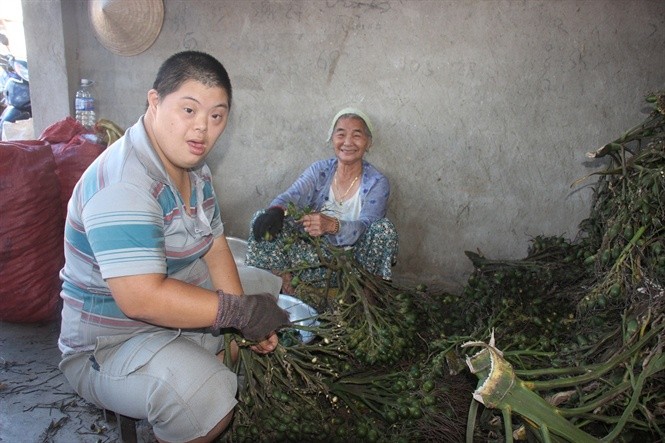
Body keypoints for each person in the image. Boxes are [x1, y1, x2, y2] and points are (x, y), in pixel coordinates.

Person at [57, 51, 289, 443]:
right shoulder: (124, 185)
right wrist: (239, 312)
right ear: (154, 102)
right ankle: (190, 391)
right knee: (208, 398)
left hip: (170, 300)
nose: (203, 129)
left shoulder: (193, 166)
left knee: (264, 288)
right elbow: (141, 299)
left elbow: (215, 246)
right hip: (111, 342)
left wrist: (241, 324)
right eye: (189, 110)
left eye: (217, 116)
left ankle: (205, 363)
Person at [246, 107, 398, 293]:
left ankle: (368, 303)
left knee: (384, 230)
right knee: (262, 218)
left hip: (354, 269)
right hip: (314, 262)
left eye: (357, 135)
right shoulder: (320, 170)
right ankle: (288, 295)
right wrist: (276, 210)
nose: (348, 142)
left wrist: (332, 226)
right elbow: (291, 196)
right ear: (332, 139)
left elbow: (367, 227)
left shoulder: (377, 182)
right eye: (341, 134)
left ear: (368, 143)